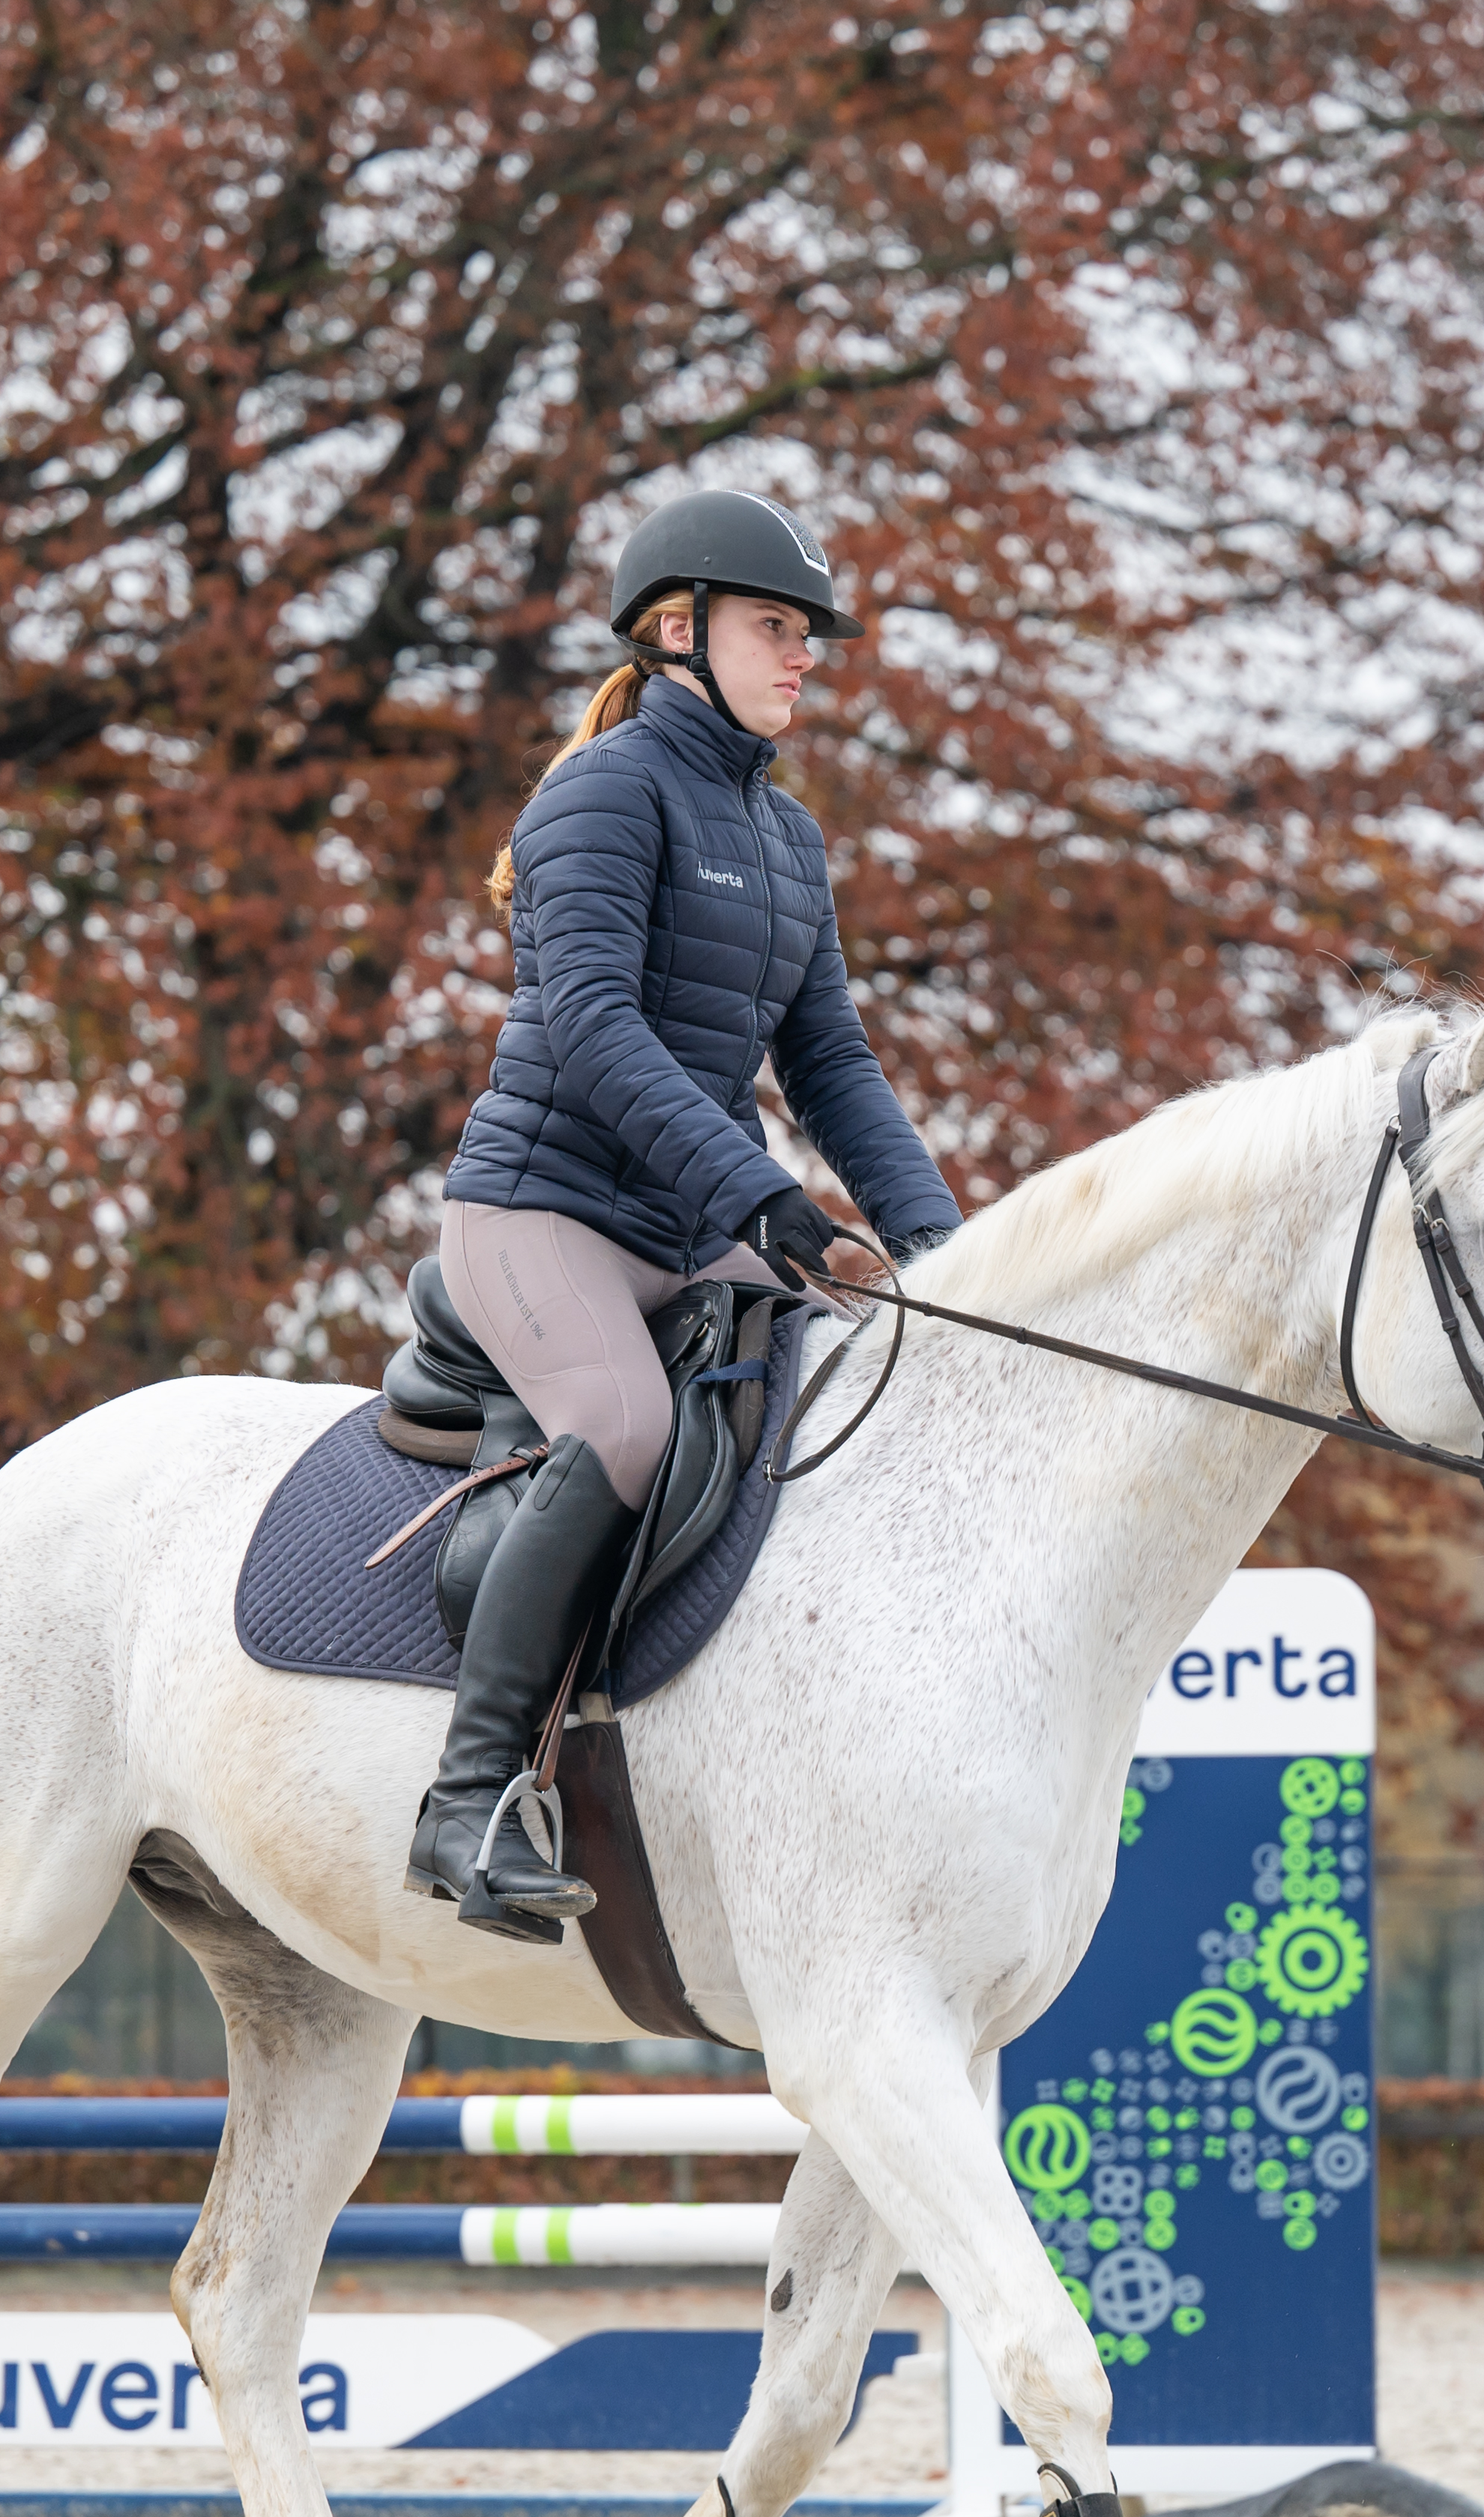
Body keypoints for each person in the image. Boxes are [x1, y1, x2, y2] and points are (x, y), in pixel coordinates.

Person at [408, 491, 963, 1941]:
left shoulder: (787, 841)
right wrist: (766, 1206)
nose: (803, 658)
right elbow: (588, 1023)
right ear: (677, 629)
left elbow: (830, 1062)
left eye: (807, 636)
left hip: (684, 1216)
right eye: (777, 628)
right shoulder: (603, 791)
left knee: (857, 1376)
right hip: (543, 1208)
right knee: (627, 1428)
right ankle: (468, 1806)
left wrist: (944, 1249)